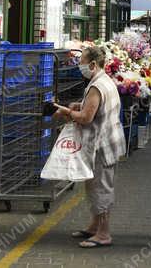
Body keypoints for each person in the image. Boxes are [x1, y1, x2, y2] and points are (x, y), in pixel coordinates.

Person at [58, 44, 125, 249]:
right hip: (107, 142)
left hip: (102, 145)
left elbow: (86, 118)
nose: (80, 66)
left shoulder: (97, 86)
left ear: (93, 64)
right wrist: (80, 105)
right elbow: (93, 108)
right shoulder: (103, 81)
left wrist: (65, 112)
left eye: (82, 62)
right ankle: (95, 225)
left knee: (101, 188)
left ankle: (103, 233)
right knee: (93, 185)